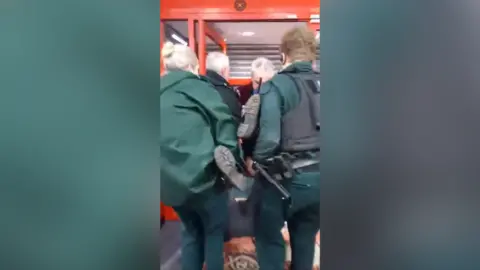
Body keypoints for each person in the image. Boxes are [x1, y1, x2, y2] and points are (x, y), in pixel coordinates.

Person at [216, 26, 320, 270]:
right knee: (305, 238)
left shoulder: (276, 86)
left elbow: (270, 139)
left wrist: (254, 163)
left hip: (286, 180)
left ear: (283, 55)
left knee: (268, 237)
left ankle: (243, 184)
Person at [159, 42, 239, 270]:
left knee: (190, 232)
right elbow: (225, 125)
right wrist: (233, 167)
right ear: (190, 67)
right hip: (204, 179)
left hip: (170, 184)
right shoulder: (198, 88)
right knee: (213, 233)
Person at [204, 52, 242, 125]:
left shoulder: (199, 85)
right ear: (223, 70)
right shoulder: (226, 93)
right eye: (229, 70)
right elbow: (236, 120)